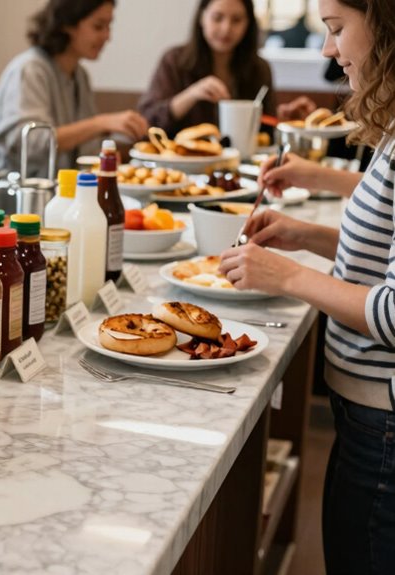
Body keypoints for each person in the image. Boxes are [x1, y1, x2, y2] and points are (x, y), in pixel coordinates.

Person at [219, 0, 395, 571]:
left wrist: (288, 276)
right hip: (366, 412)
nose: (327, 50)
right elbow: (381, 252)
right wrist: (307, 237)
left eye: (337, 30)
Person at [0, 0, 148, 174]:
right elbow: (30, 143)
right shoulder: (30, 70)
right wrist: (100, 123)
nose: (107, 36)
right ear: (67, 25)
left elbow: (84, 147)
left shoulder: (80, 75)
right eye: (98, 26)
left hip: (62, 193)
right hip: (17, 195)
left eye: (109, 26)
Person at [137, 0, 316, 137]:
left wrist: (283, 119)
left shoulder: (259, 68)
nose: (226, 28)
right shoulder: (175, 60)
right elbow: (147, 120)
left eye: (237, 20)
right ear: (202, 17)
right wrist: (191, 94)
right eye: (217, 18)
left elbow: (263, 131)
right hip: (179, 169)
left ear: (248, 24)